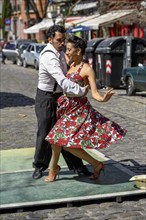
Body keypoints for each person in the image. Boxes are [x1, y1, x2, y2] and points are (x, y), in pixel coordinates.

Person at [44, 35, 127, 182]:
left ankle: (58, 168)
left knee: (63, 143)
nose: (67, 52)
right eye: (67, 49)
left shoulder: (87, 69)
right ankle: (92, 165)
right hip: (66, 109)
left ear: (79, 50)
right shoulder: (70, 65)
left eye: (69, 50)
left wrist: (103, 98)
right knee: (55, 140)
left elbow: (94, 93)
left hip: (78, 111)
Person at [32, 25, 92, 180]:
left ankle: (77, 166)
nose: (62, 43)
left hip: (59, 97)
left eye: (63, 40)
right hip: (45, 97)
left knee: (65, 132)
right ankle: (39, 166)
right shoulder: (49, 56)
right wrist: (81, 90)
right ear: (50, 39)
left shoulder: (60, 53)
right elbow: (62, 80)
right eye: (59, 40)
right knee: (45, 132)